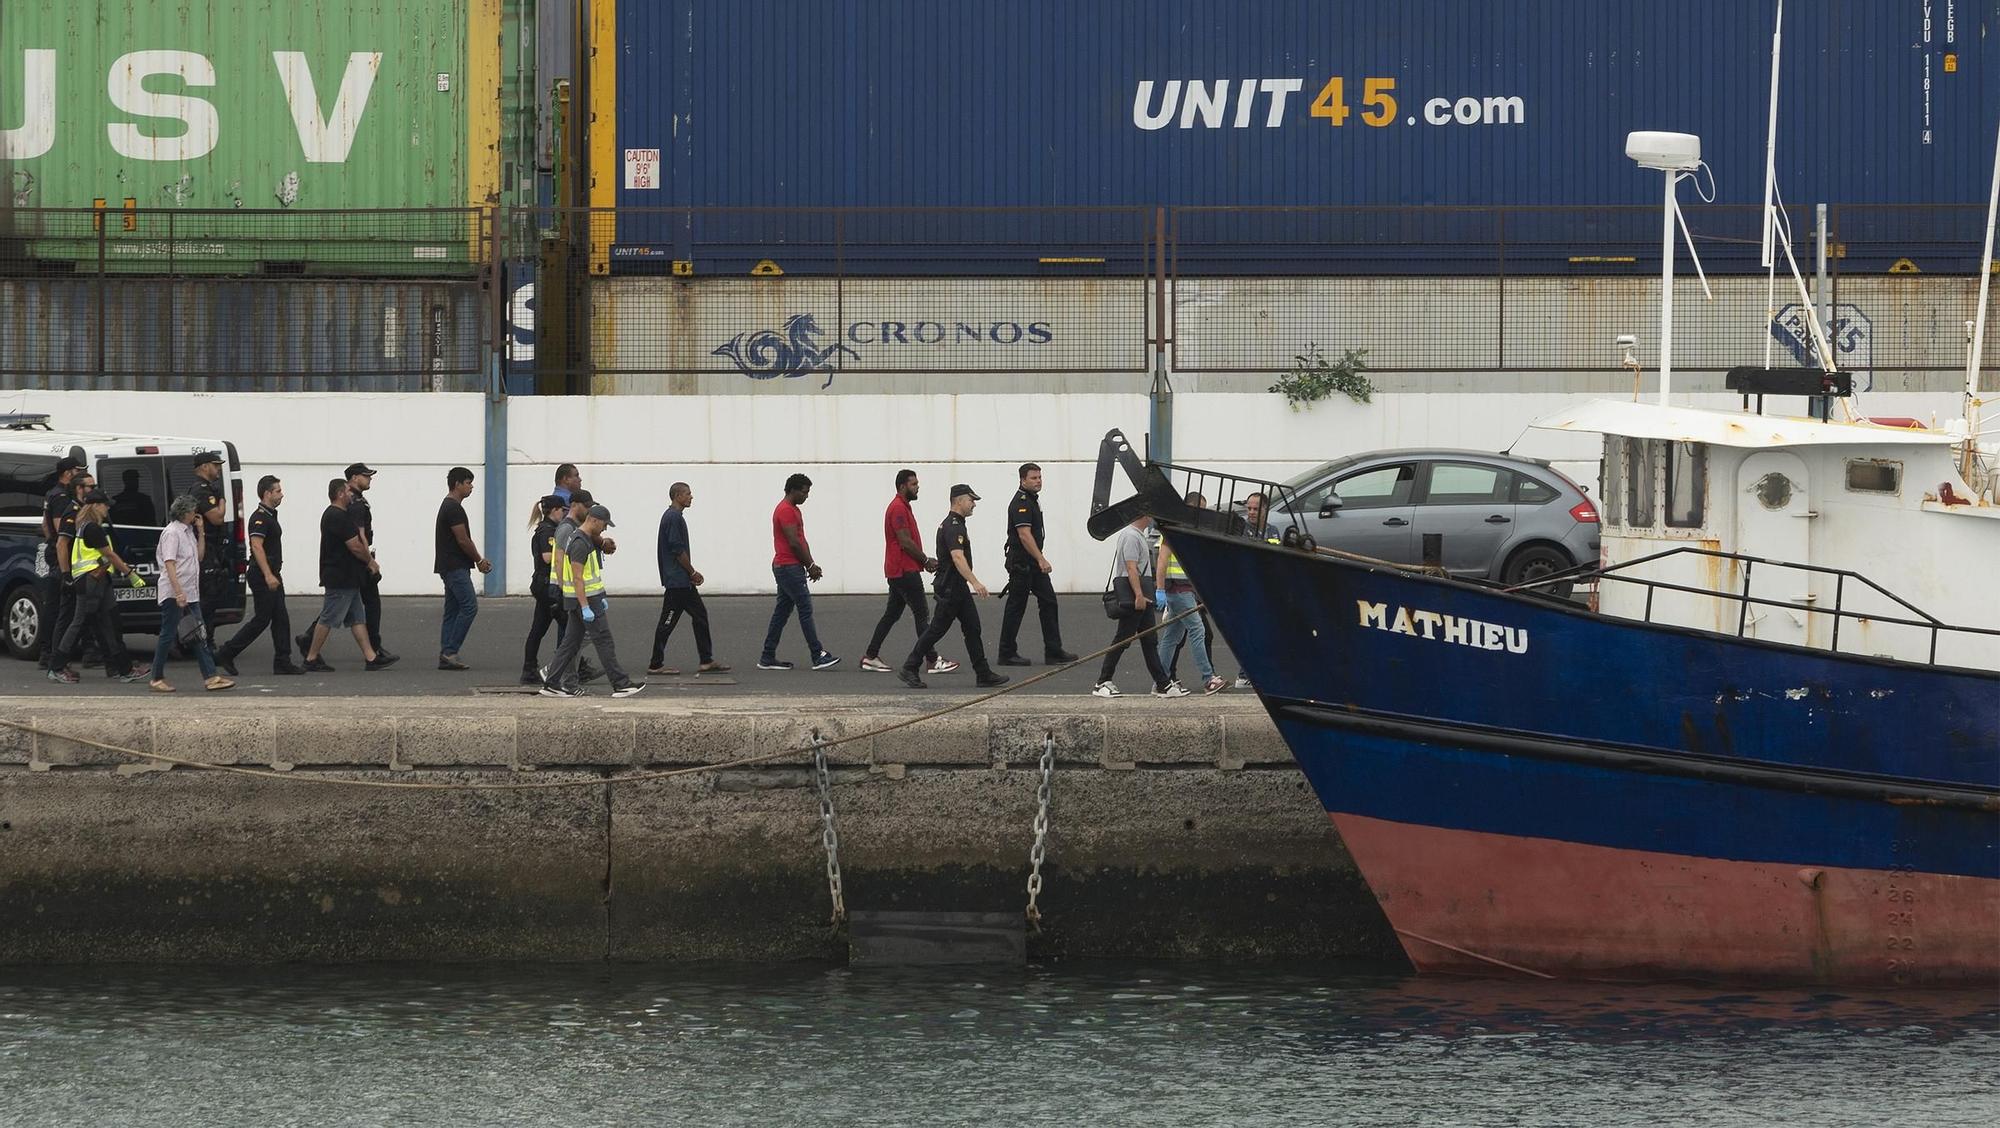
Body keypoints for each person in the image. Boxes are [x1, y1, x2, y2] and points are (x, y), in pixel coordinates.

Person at [898, 485, 1008, 690]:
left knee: (972, 627)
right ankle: (910, 667)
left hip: (956, 588)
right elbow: (957, 557)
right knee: (936, 630)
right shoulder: (954, 526)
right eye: (971, 500)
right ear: (958, 501)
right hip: (951, 588)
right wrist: (975, 582)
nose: (973, 504)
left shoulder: (955, 524)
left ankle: (983, 673)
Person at [541, 503, 644, 698]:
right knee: (604, 640)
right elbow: (578, 577)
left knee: (570, 643)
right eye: (604, 524)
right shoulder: (580, 542)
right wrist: (586, 606)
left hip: (581, 600)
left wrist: (600, 596)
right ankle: (621, 684)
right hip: (585, 601)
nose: (605, 529)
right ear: (593, 520)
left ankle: (552, 683)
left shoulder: (582, 538)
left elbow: (589, 575)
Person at [860, 469, 958, 676]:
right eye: (913, 484)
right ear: (902, 486)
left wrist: (923, 561)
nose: (917, 487)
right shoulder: (897, 509)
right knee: (922, 614)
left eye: (917, 483)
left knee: (892, 614)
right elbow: (905, 541)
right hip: (904, 570)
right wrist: (925, 560)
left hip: (900, 570)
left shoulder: (903, 507)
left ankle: (870, 656)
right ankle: (932, 659)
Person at [45, 489, 143, 685]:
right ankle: (56, 666)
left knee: (110, 623)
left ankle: (123, 668)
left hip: (99, 579)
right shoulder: (92, 529)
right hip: (91, 581)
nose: (107, 508)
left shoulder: (86, 526)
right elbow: (111, 555)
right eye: (105, 504)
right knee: (80, 623)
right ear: (96, 506)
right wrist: (130, 574)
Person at [302, 478, 398, 672]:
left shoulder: (336, 514)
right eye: (348, 491)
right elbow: (354, 546)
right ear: (339, 494)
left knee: (357, 618)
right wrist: (370, 562)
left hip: (347, 576)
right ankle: (311, 658)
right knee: (328, 618)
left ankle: (371, 658)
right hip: (340, 577)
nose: (351, 494)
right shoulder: (338, 516)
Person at [215, 475, 300, 676]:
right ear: (267, 493)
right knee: (262, 619)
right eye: (278, 490)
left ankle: (282, 660)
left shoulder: (270, 515)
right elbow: (256, 546)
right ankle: (226, 652)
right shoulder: (260, 517)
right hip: (263, 574)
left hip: (271, 573)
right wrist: (268, 575)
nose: (281, 494)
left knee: (281, 618)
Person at [149, 494, 234, 693]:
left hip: (190, 592)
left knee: (198, 634)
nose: (196, 513)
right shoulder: (172, 533)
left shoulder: (187, 531)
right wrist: (178, 593)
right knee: (168, 635)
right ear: (185, 512)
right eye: (193, 510)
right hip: (175, 594)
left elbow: (199, 556)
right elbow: (169, 563)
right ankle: (156, 676)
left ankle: (211, 677)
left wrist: (201, 531)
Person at [996, 462, 1077, 667]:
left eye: (1040, 477)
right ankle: (1006, 653)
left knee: (1049, 602)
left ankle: (1053, 651)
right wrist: (1041, 558)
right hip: (1022, 563)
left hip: (1032, 562)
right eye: (1033, 478)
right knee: (1016, 606)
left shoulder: (1032, 500)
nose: (1038, 481)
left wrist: (1038, 559)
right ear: (1022, 480)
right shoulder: (1021, 502)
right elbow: (1024, 535)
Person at [1093, 513, 1181, 699]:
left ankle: (1162, 683)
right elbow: (1131, 567)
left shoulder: (1138, 535)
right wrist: (1139, 595)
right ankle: (1102, 681)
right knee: (1123, 639)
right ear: (1144, 515)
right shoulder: (1131, 536)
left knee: (1149, 641)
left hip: (1142, 597)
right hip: (1136, 597)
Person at [759, 473, 838, 671]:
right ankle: (817, 654)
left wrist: (809, 564)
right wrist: (810, 565)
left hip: (788, 566)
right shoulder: (786, 510)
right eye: (804, 492)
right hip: (788, 567)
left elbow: (800, 541)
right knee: (805, 609)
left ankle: (767, 656)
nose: (807, 496)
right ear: (793, 490)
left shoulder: (792, 509)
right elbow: (794, 542)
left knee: (782, 612)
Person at [649, 482, 728, 676]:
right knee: (668, 621)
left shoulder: (672, 516)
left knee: (698, 615)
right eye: (688, 494)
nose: (691, 497)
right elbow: (677, 549)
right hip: (678, 581)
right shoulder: (674, 518)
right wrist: (692, 572)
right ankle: (656, 664)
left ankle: (706, 660)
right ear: (677, 496)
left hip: (680, 580)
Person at [1156, 492, 1224, 695]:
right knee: (1198, 630)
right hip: (1178, 590)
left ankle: (1161, 681)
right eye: (1201, 510)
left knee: (1171, 637)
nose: (1203, 514)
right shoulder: (1173, 530)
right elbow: (1162, 560)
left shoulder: (1181, 530)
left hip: (1181, 590)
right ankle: (1208, 679)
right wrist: (1159, 589)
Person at [434, 466, 492, 670]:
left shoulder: (449, 506)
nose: (471, 486)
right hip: (455, 566)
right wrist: (479, 560)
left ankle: (446, 653)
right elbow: (463, 539)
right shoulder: (453, 508)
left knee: (452, 609)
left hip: (448, 565)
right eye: (468, 482)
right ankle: (450, 651)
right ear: (457, 484)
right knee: (469, 606)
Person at [47, 471, 96, 672]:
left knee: (92, 616)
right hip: (71, 573)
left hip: (84, 573)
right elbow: (61, 544)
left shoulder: (85, 510)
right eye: (90, 487)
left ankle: (109, 660)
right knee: (67, 616)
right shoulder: (72, 511)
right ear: (79, 489)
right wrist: (66, 575)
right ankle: (56, 662)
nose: (94, 490)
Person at [36, 456, 80, 671]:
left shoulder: (51, 493)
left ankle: (47, 651)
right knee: (59, 607)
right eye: (76, 471)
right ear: (67, 473)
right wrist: (59, 546)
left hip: (54, 551)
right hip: (62, 554)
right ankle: (50, 653)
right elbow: (57, 525)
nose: (78, 475)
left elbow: (45, 525)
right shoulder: (62, 496)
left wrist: (51, 541)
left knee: (53, 605)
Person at [521, 494, 570, 684]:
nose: (563, 514)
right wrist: (567, 553)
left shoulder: (548, 529)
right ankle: (563, 667)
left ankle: (530, 668)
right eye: (561, 511)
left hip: (542, 584)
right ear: (554, 510)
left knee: (539, 628)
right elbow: (548, 558)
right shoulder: (548, 531)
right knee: (569, 626)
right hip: (546, 585)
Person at [189, 451, 229, 649]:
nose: (219, 468)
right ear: (204, 466)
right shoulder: (201, 490)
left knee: (212, 596)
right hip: (204, 548)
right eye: (215, 465)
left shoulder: (207, 488)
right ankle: (198, 639)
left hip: (212, 548)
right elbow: (217, 518)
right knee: (208, 597)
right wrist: (222, 500)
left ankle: (205, 639)